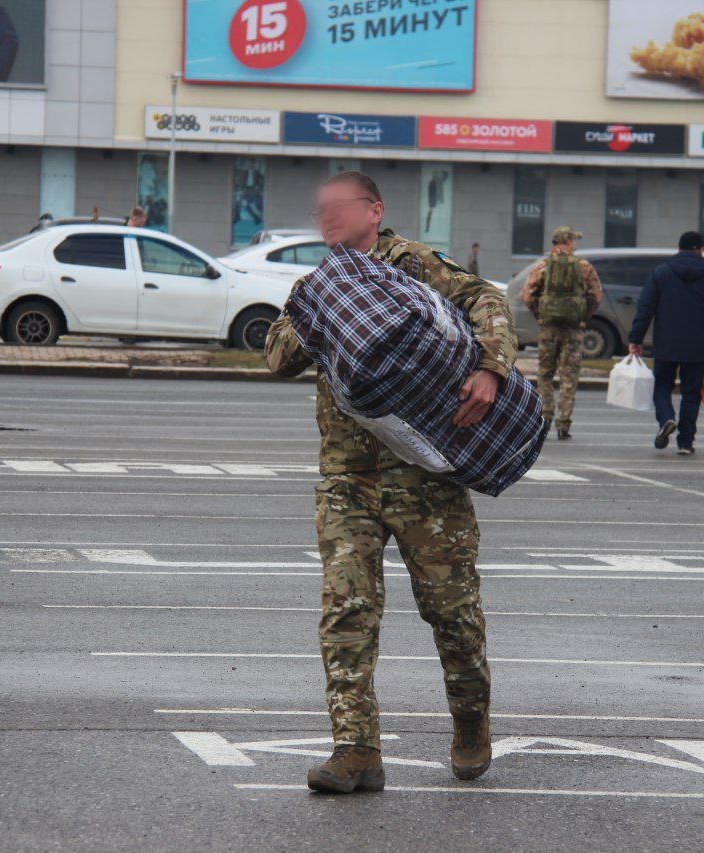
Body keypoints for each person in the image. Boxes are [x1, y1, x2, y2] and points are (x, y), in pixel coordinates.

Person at [265, 171, 515, 794]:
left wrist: (490, 369)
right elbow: (276, 357)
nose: (327, 218)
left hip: (426, 476)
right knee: (346, 612)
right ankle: (356, 751)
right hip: (347, 479)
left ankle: (470, 719)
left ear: (374, 210)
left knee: (452, 613)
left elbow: (489, 302)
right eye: (320, 210)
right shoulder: (317, 286)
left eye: (339, 207)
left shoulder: (415, 266)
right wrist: (322, 315)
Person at [627, 231, 704, 456]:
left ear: (679, 248)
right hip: (697, 346)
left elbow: (645, 308)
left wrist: (636, 338)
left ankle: (666, 418)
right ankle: (685, 442)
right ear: (700, 249)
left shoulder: (661, 273)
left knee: (662, 385)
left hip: (666, 344)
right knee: (691, 393)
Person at [521, 227, 603, 440]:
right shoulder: (584, 267)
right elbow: (596, 296)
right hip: (573, 330)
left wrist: (540, 315)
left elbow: (528, 295)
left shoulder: (543, 266)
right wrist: (583, 317)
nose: (575, 245)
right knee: (569, 375)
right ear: (568, 242)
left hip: (548, 328)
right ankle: (564, 423)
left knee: (545, 374)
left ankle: (546, 416)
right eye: (574, 241)